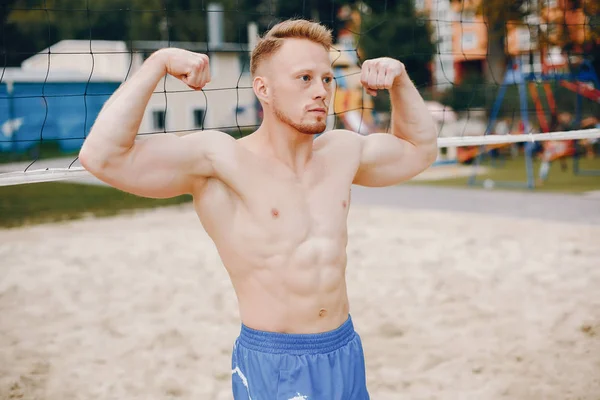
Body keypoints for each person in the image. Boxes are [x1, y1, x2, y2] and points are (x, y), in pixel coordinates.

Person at [79, 19, 437, 400]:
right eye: (304, 78)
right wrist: (158, 63)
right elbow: (102, 157)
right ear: (263, 89)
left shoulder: (343, 152)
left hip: (344, 349)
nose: (321, 91)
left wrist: (398, 80)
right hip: (275, 362)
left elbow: (419, 150)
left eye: (327, 79)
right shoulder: (219, 160)